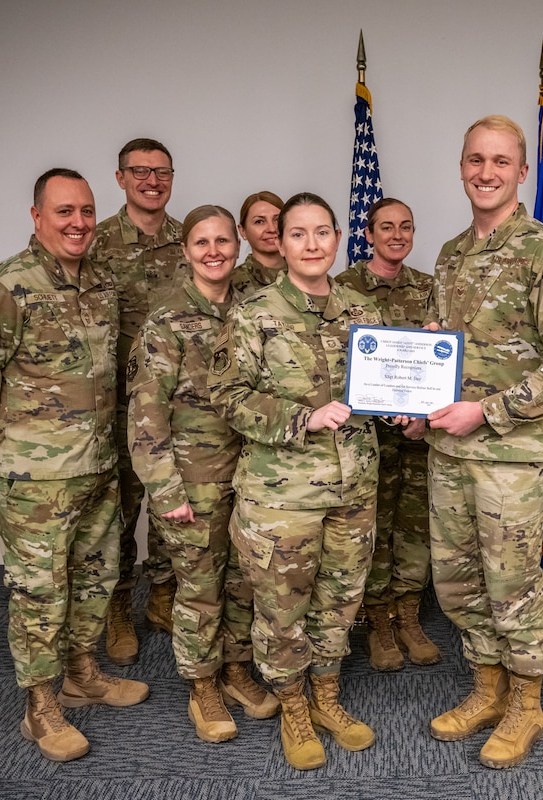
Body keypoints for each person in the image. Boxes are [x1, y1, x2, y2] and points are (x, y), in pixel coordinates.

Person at [0, 168, 149, 762]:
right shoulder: (1, 286)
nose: (79, 223)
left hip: (98, 467)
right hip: (37, 479)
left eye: (86, 211)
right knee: (38, 592)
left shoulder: (103, 284)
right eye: (64, 212)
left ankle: (82, 674)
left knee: (94, 577)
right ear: (37, 216)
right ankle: (40, 705)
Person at [425, 115, 543, 769]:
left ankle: (526, 704)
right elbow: (445, 353)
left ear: (523, 172)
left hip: (512, 453)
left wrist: (486, 412)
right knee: (459, 583)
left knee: (513, 585)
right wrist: (423, 408)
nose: (486, 172)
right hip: (450, 451)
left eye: (500, 161)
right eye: (475, 160)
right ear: (461, 166)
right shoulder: (449, 254)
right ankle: (487, 690)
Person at [208, 192, 386, 770]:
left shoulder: (363, 311)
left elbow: (382, 393)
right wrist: (302, 418)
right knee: (283, 609)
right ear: (279, 244)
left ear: (338, 239)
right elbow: (227, 396)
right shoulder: (253, 312)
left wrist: (414, 401)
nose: (312, 244)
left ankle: (328, 697)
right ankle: (294, 708)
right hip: (282, 495)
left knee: (339, 602)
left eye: (323, 232)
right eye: (298, 234)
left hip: (353, 489)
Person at [127, 205, 279, 743]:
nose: (213, 251)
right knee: (200, 586)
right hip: (193, 478)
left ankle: (235, 667)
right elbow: (146, 412)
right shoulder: (166, 318)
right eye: (201, 243)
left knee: (243, 581)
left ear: (237, 244)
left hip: (254, 473)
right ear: (186, 250)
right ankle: (202, 683)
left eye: (222, 241)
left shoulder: (257, 306)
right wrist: (165, 492)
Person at [89, 138, 187, 664]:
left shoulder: (188, 240)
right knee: (120, 516)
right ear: (121, 177)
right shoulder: (96, 242)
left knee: (176, 513)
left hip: (180, 408)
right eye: (141, 171)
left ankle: (164, 599)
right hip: (120, 408)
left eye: (162, 171)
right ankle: (118, 608)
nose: (153, 181)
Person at [335, 197, 441, 671]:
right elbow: (335, 365)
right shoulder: (343, 289)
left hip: (420, 436)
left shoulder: (430, 289)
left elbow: (446, 358)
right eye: (386, 228)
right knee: (373, 526)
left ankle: (409, 614)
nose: (397, 235)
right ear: (368, 234)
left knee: (416, 525)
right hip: (367, 437)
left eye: (406, 226)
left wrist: (424, 415)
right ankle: (378, 619)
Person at [231, 191, 286, 298]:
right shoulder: (232, 284)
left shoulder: (305, 274)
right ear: (242, 231)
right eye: (259, 222)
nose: (271, 229)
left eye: (277, 220)